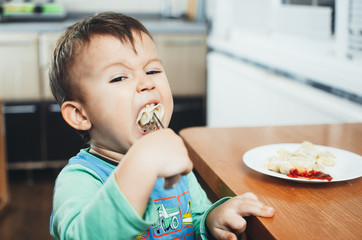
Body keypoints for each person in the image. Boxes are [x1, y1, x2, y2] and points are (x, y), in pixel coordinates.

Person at [49, 12, 274, 240]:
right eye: (119, 77)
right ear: (80, 114)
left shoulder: (174, 167)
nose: (147, 83)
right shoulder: (80, 179)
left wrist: (210, 220)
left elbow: (190, 219)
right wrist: (140, 163)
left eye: (152, 71)